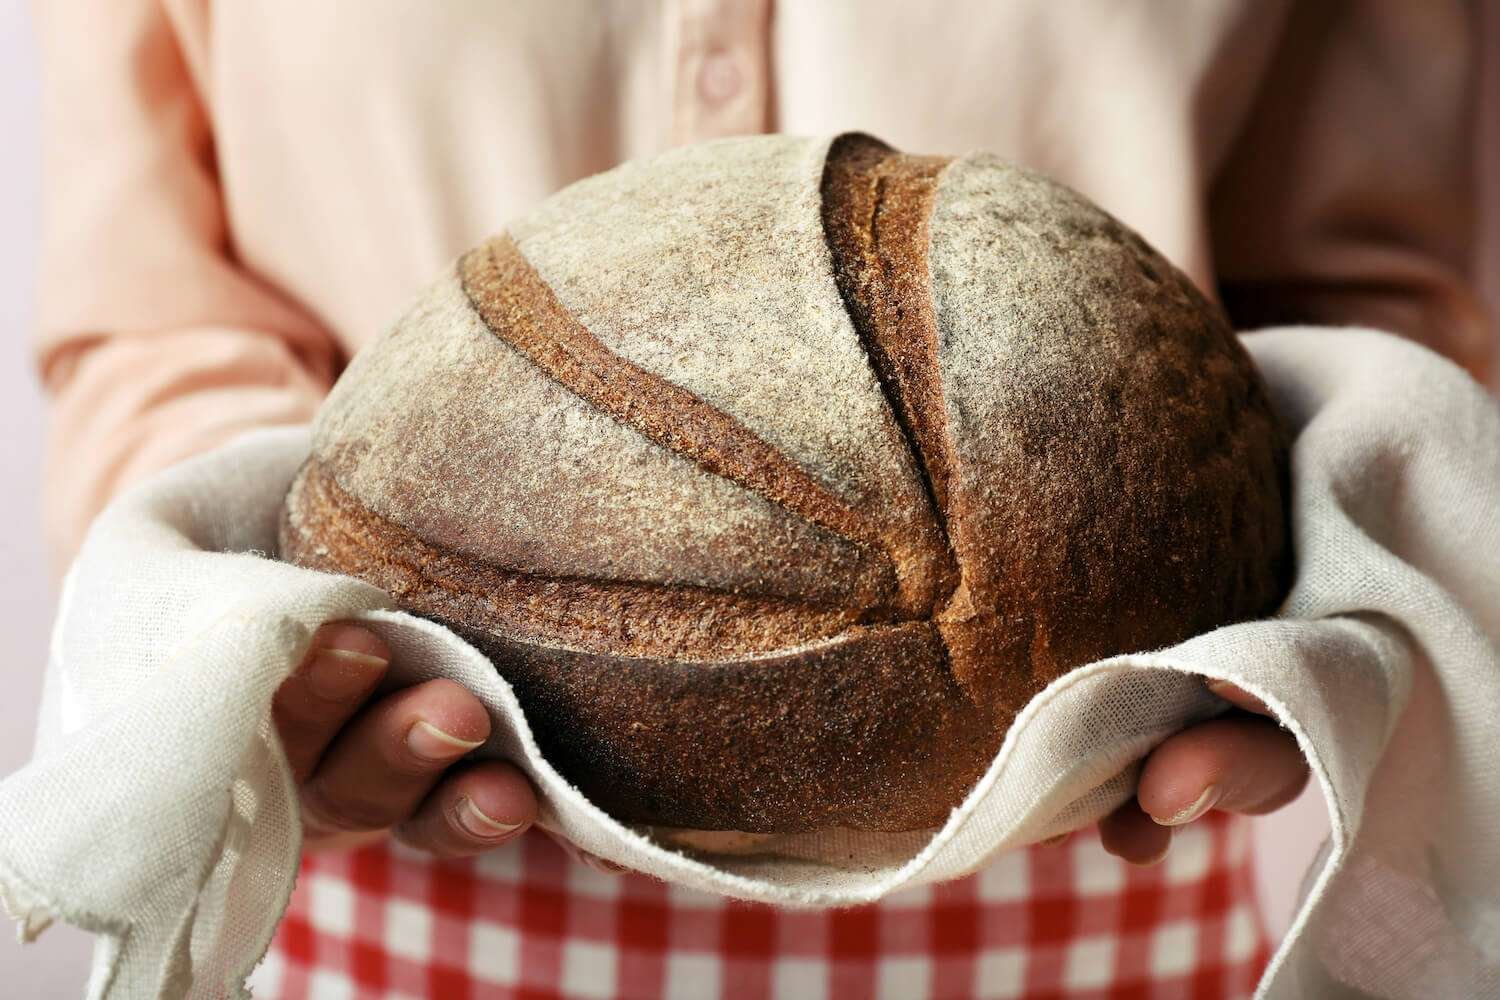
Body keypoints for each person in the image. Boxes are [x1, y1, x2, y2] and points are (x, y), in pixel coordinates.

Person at [32, 2, 1490, 996]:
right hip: (400, 859)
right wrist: (259, 657)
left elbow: (1354, 318)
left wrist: (1334, 613)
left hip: (1093, 857)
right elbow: (161, 322)